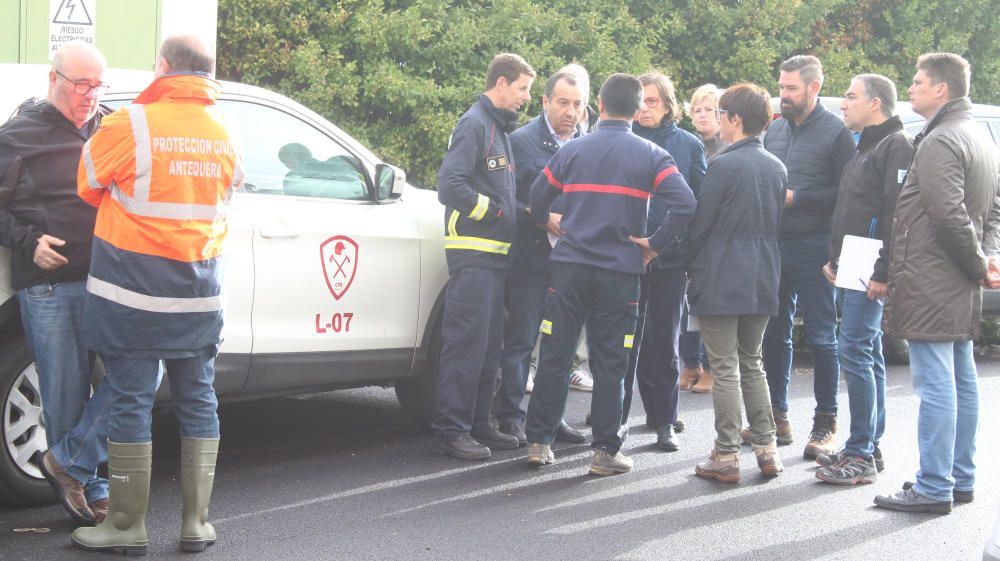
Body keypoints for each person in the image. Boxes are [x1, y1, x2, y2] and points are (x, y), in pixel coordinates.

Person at [70, 35, 244, 554]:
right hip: (199, 295)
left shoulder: (130, 125)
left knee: (130, 402)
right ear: (206, 73)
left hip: (132, 296)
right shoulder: (226, 132)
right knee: (198, 399)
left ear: (163, 67)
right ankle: (196, 523)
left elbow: (87, 183)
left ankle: (125, 526)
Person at [524, 73, 695, 476]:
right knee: (611, 362)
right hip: (620, 272)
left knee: (555, 354)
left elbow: (536, 197)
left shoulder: (573, 151)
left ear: (597, 106)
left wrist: (548, 222)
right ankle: (605, 452)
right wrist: (654, 244)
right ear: (638, 110)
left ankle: (538, 442)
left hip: (569, 269)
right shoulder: (652, 155)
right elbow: (685, 204)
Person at [874, 53, 1000, 514]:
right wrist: (987, 258)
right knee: (962, 379)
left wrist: (978, 261)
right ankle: (957, 479)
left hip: (934, 278)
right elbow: (992, 210)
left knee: (937, 385)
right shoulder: (978, 135)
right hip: (956, 278)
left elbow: (950, 215)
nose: (910, 89)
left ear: (941, 89)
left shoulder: (942, 139)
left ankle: (933, 486)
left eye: (917, 82)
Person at [0, 42, 111, 524]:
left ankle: (74, 466)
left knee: (132, 376)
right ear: (54, 80)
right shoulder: (19, 134)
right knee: (65, 392)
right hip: (51, 285)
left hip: (113, 280)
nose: (89, 95)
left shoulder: (112, 127)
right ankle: (88, 490)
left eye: (96, 86)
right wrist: (27, 243)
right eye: (80, 85)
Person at [433, 53, 535, 461]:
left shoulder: (498, 128)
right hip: (472, 255)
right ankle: (450, 429)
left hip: (495, 258)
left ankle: (478, 425)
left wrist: (520, 213)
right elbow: (449, 184)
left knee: (489, 347)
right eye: (524, 88)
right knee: (466, 345)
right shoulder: (475, 124)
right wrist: (493, 213)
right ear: (501, 84)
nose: (526, 97)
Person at [816, 74, 914, 485]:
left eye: (851, 97)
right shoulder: (865, 146)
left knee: (854, 348)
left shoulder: (897, 145)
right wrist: (833, 258)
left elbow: (896, 214)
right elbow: (852, 210)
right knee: (865, 350)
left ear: (875, 103)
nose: (843, 105)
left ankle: (860, 453)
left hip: (871, 266)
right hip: (852, 262)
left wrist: (882, 272)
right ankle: (868, 444)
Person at [687, 83, 787, 482]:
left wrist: (689, 265)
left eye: (721, 111)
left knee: (724, 366)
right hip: (764, 272)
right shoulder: (777, 167)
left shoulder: (724, 165)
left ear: (735, 119)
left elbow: (701, 224)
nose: (717, 117)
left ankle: (726, 454)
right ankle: (767, 449)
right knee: (753, 362)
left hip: (722, 272)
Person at [759, 55, 856, 459]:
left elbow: (847, 192)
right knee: (773, 333)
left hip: (817, 245)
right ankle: (776, 417)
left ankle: (826, 422)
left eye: (791, 89)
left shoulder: (836, 132)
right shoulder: (775, 130)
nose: (784, 95)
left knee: (821, 337)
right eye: (781, 87)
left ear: (814, 88)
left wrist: (798, 198)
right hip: (775, 244)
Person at [494, 70, 588, 446]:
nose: (570, 111)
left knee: (560, 346)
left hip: (572, 264)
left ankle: (551, 419)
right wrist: (541, 217)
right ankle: (511, 418)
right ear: (545, 101)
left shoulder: (589, 145)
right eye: (562, 102)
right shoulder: (520, 142)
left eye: (578, 104)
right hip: (531, 261)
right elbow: (506, 201)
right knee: (520, 342)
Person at [622, 71, 706, 452]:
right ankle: (649, 413)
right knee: (633, 339)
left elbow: (697, 203)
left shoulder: (687, 145)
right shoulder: (625, 141)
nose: (645, 109)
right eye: (640, 101)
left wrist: (692, 255)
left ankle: (666, 421)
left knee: (668, 342)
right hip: (628, 255)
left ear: (669, 104)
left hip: (671, 257)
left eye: (652, 101)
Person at [679, 84, 730, 394]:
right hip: (690, 233)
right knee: (688, 304)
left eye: (708, 109)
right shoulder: (689, 144)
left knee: (711, 305)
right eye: (696, 109)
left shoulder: (728, 149)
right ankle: (691, 364)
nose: (701, 115)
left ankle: (711, 368)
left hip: (718, 238)